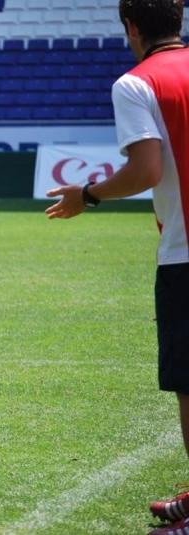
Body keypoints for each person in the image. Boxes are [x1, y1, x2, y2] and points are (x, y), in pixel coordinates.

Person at [45, 2, 187, 532]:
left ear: (130, 27)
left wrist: (90, 194)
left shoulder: (135, 83)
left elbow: (145, 169)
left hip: (185, 252)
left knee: (188, 380)